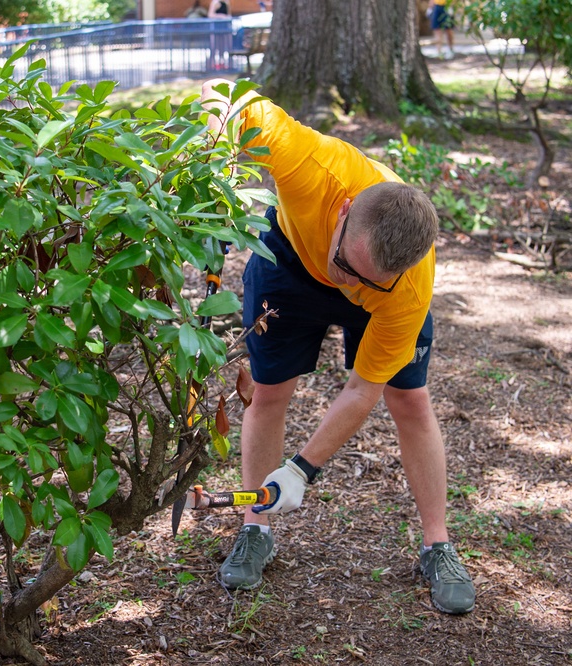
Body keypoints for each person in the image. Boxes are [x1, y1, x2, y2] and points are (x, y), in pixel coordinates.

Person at [199, 79, 477, 615]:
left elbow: (361, 389)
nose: (348, 285)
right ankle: (255, 528)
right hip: (289, 262)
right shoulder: (312, 165)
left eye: (366, 281)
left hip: (379, 290)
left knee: (410, 400)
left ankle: (436, 545)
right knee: (268, 392)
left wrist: (301, 470)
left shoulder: (404, 288)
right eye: (348, 268)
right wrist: (216, 169)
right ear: (343, 208)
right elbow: (223, 95)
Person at [207, 0, 230, 69]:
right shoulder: (215, 2)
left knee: (222, 47)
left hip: (224, 28)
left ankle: (221, 63)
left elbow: (229, 14)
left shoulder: (226, 3)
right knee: (214, 47)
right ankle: (212, 63)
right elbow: (210, 15)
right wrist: (221, 16)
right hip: (216, 29)